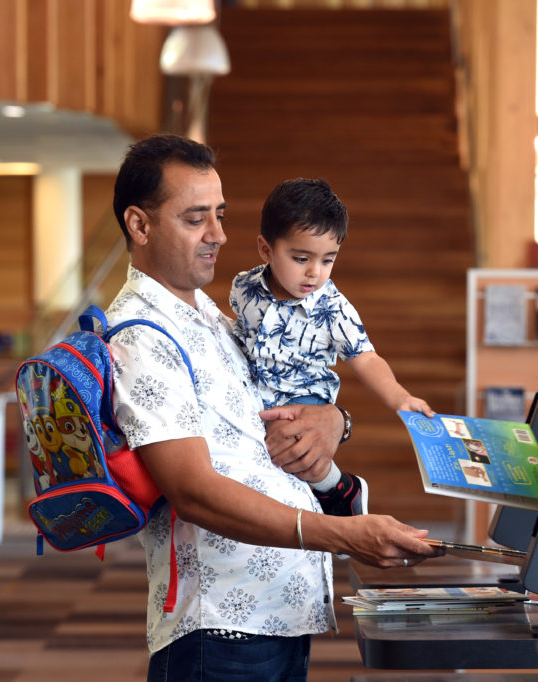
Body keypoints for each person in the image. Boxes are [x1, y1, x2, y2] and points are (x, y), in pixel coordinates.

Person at [105, 133, 439, 682]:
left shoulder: (207, 313)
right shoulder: (142, 337)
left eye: (220, 214)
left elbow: (282, 400)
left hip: (274, 613)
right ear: (140, 225)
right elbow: (193, 492)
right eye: (195, 219)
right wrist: (345, 535)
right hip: (219, 629)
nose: (218, 235)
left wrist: (336, 420)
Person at [229, 178, 435, 517]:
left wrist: (400, 398)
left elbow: (365, 357)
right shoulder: (245, 286)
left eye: (328, 260)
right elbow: (241, 330)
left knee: (294, 442)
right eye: (301, 258)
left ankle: (340, 489)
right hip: (255, 391)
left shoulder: (333, 308)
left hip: (303, 397)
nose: (314, 273)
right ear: (266, 250)